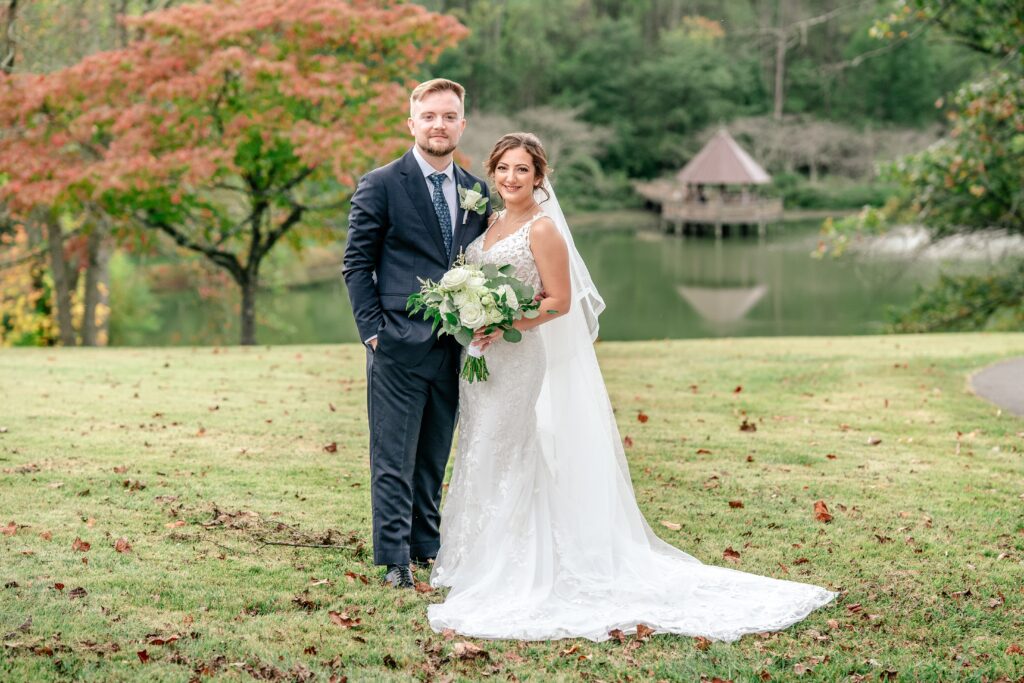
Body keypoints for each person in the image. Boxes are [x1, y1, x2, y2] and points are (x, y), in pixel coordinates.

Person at [427, 132, 837, 642]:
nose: (511, 178)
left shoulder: (543, 229)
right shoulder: (489, 222)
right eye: (504, 169)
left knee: (508, 449)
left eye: (522, 170)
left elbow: (557, 302)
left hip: (516, 356)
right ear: (493, 172)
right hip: (481, 358)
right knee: (479, 447)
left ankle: (516, 565)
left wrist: (506, 318)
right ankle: (476, 558)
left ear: (539, 176)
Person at [343, 78, 491, 589]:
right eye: (429, 116)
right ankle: (393, 560)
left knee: (434, 453)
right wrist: (373, 333)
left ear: (461, 125)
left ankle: (426, 546)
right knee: (393, 456)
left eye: (449, 116)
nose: (439, 125)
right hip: (397, 343)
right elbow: (356, 264)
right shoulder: (381, 183)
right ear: (412, 123)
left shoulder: (477, 191)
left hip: (455, 348)